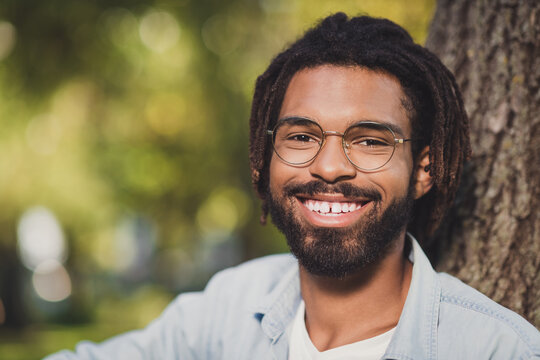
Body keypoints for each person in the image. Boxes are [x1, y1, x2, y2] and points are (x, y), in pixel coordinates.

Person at [45, 13, 540, 360]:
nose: (328, 167)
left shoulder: (497, 350)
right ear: (266, 157)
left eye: (369, 141)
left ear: (423, 170)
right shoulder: (228, 309)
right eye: (302, 136)